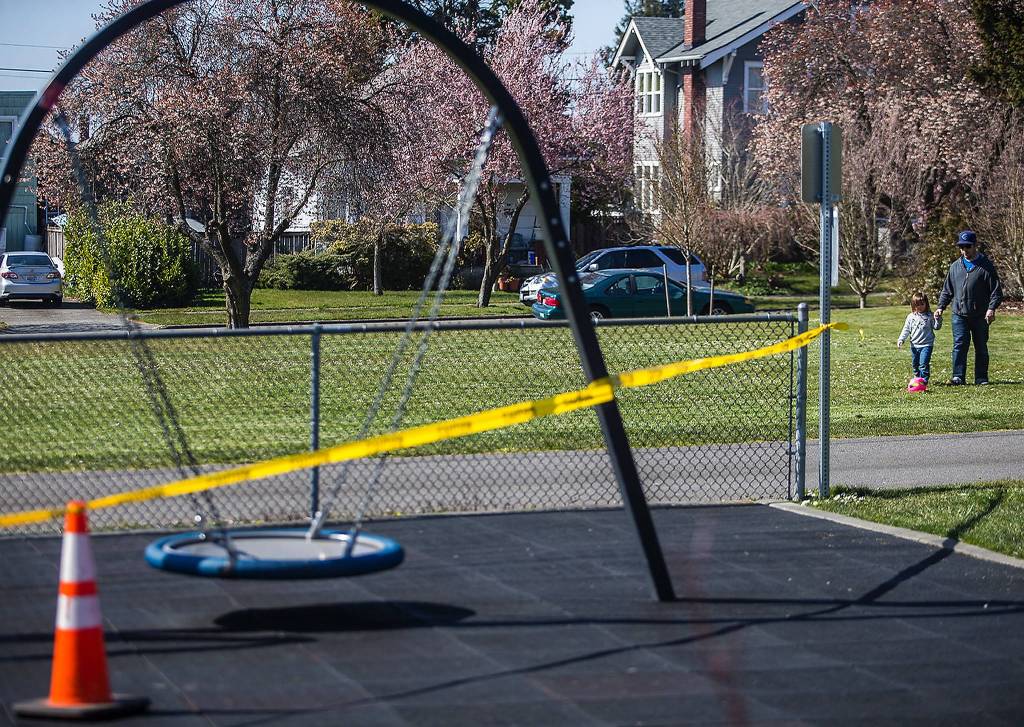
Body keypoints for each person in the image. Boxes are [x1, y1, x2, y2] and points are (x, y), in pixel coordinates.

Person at [935, 230, 1003, 385]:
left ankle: (981, 378)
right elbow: (947, 290)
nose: (964, 250)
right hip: (959, 314)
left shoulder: (986, 267)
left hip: (980, 315)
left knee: (981, 346)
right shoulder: (955, 267)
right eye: (962, 247)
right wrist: (940, 307)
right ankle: (958, 377)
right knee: (959, 345)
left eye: (968, 246)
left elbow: (996, 291)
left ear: (975, 246)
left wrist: (991, 308)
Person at [897, 291, 941, 383]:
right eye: (917, 305)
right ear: (913, 305)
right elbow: (906, 329)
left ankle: (924, 380)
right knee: (915, 364)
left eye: (922, 304)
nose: (920, 307)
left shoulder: (930, 316)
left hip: (926, 345)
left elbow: (936, 327)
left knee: (923, 364)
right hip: (914, 345)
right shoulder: (911, 317)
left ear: (926, 304)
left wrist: (938, 319)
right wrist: (901, 339)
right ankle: (917, 378)